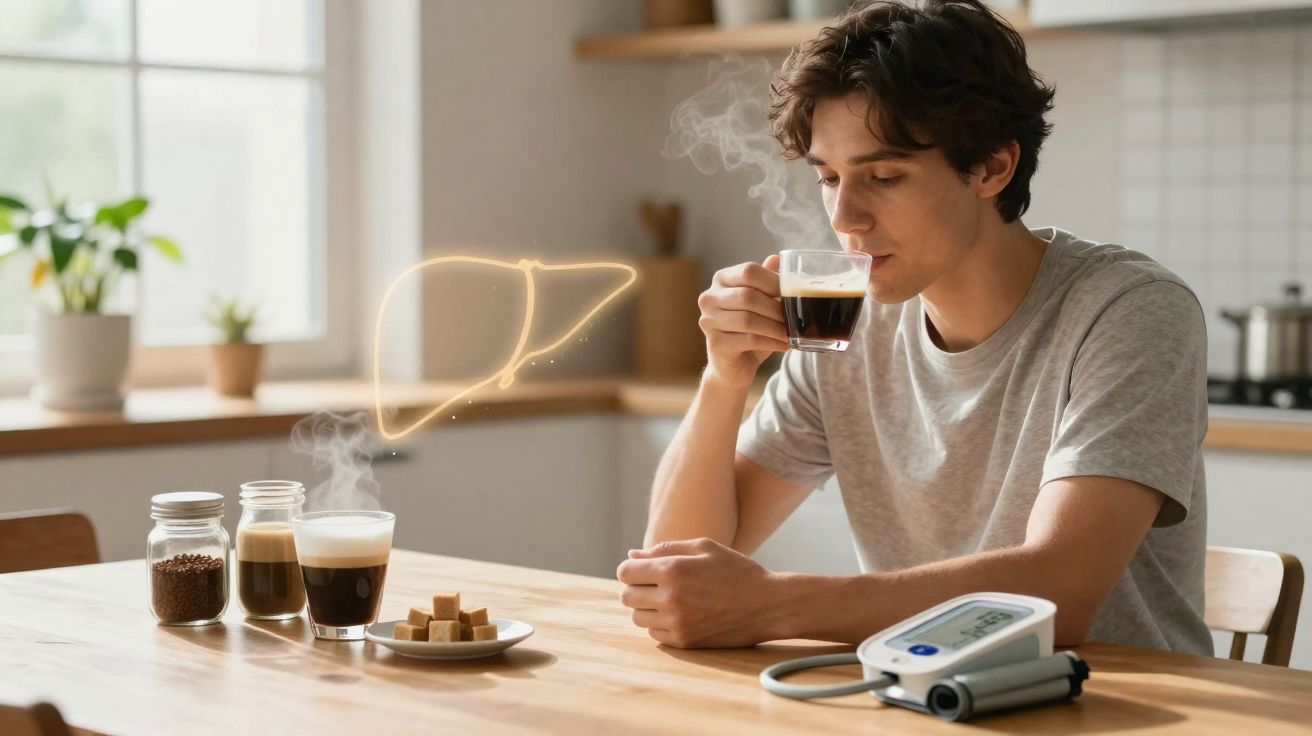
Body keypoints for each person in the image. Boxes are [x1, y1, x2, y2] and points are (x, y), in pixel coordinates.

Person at [616, 0, 1212, 655]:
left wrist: (772, 606)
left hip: (1124, 710)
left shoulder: (1128, 310)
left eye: (884, 176)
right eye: (829, 178)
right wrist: (723, 377)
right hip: (921, 699)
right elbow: (673, 573)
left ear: (992, 167)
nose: (845, 217)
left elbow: (1059, 594)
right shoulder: (849, 321)